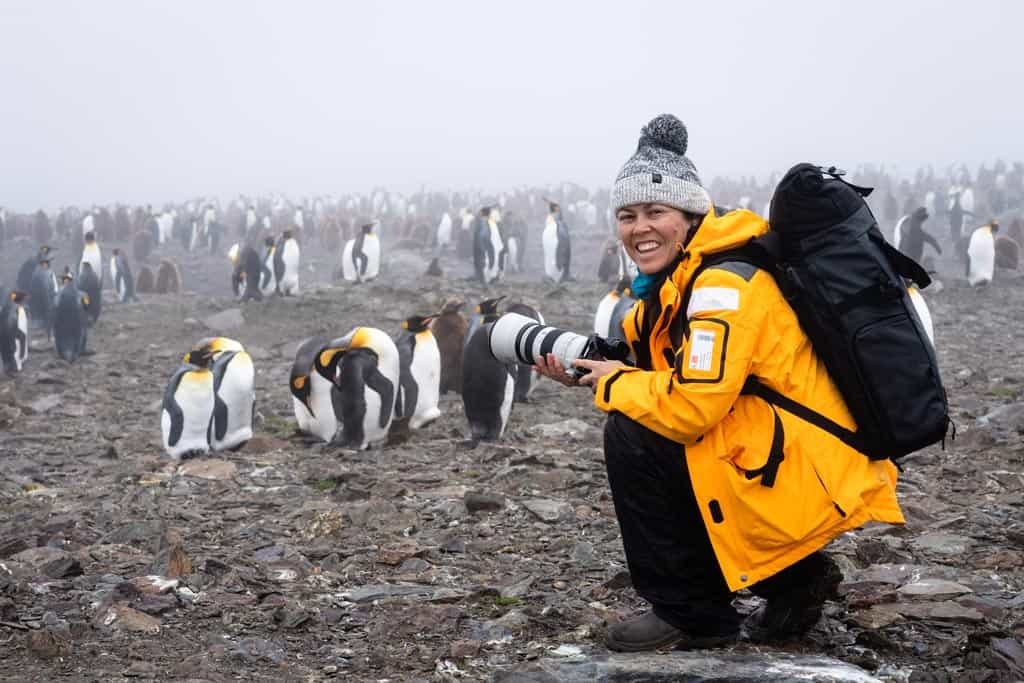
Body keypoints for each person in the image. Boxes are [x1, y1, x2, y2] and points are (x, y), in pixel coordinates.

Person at [535, 114, 904, 652]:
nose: (640, 228)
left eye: (656, 212)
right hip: (794, 464)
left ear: (689, 213)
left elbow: (691, 409)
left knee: (635, 436)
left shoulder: (722, 288)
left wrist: (616, 386)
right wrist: (598, 369)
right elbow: (674, 374)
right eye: (627, 214)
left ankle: (692, 614)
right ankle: (795, 580)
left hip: (806, 473)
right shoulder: (682, 279)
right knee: (651, 422)